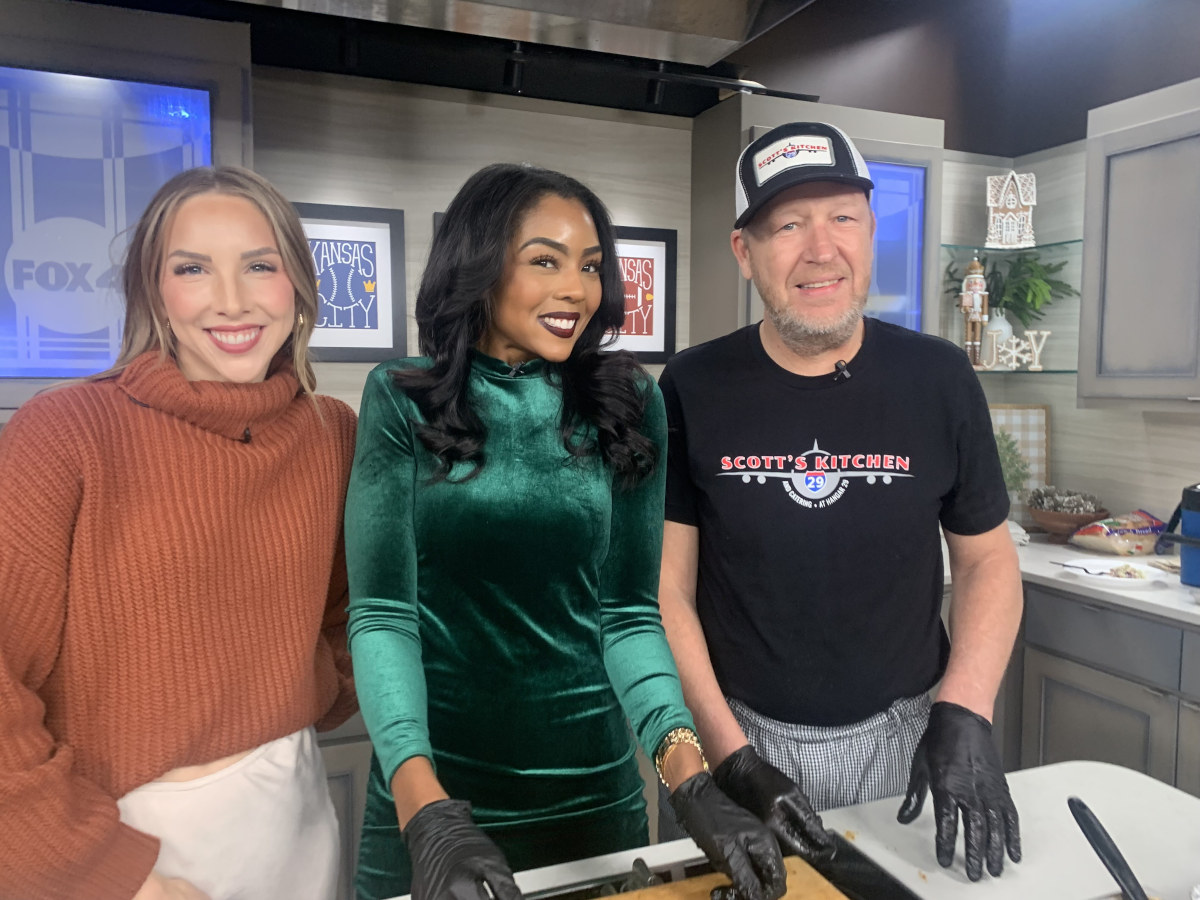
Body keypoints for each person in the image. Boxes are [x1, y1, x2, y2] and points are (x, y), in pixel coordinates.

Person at [345, 162, 785, 900]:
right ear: (479, 265)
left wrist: (688, 777)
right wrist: (427, 814)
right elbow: (384, 617)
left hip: (594, 800)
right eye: (544, 260)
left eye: (588, 265)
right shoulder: (402, 400)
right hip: (435, 796)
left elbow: (629, 616)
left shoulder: (627, 402)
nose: (576, 290)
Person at [656, 122, 1024, 883]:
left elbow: (987, 558)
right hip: (740, 734)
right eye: (788, 224)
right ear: (744, 250)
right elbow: (668, 592)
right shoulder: (691, 386)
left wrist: (966, 707)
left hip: (909, 739)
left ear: (871, 228)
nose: (820, 248)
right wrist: (732, 762)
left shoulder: (941, 378)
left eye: (843, 218)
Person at [0, 166, 358, 900]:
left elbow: (356, 611)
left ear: (297, 287)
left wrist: (307, 684)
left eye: (260, 265)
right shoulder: (63, 434)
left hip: (293, 811)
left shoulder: (332, 436)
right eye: (192, 268)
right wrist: (106, 873)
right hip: (122, 838)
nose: (232, 299)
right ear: (155, 293)